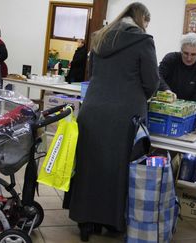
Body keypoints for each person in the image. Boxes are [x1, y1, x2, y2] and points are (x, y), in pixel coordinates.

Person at [65, 2, 159, 241]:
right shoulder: (143, 41)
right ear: (142, 19)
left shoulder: (100, 38)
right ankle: (113, 222)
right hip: (125, 114)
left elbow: (93, 72)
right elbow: (151, 82)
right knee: (118, 169)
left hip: (93, 109)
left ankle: (86, 222)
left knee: (88, 165)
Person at [158, 32, 196, 102]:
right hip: (165, 101)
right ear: (181, 50)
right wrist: (166, 90)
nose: (189, 58)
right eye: (186, 53)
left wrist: (194, 107)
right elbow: (158, 76)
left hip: (189, 105)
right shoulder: (170, 59)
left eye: (193, 54)